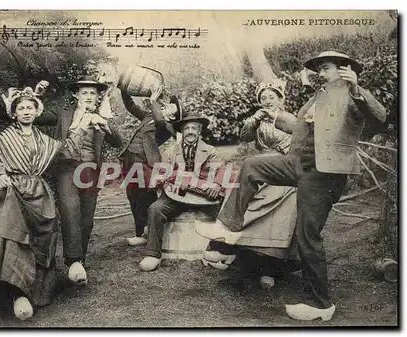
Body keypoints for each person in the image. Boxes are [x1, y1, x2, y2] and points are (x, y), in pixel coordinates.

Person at [196, 51, 387, 321]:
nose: (321, 73)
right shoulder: (317, 96)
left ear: (344, 70)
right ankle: (227, 225)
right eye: (319, 69)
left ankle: (321, 304)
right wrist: (275, 116)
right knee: (252, 166)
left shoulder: (352, 95)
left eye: (327, 68)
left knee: (307, 237)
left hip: (325, 175)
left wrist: (357, 87)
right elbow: (302, 127)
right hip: (299, 164)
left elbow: (380, 116)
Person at [202, 80, 299, 290]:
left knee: (281, 210)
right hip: (259, 168)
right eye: (263, 98)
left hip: (282, 170)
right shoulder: (257, 121)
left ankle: (269, 267)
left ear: (280, 99)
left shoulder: (289, 119)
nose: (267, 101)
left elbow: (298, 144)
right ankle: (234, 255)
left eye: (271, 97)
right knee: (240, 198)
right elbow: (244, 138)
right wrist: (253, 121)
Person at [0, 83, 62, 320]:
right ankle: (16, 293)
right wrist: (1, 175)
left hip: (39, 193)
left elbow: (65, 152)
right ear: (14, 113)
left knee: (44, 238)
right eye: (21, 108)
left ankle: (39, 293)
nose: (26, 111)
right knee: (16, 240)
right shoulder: (5, 138)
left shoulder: (45, 140)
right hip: (13, 194)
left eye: (30, 107)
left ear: (37, 111)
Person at [37, 75, 124, 286]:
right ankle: (74, 261)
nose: (88, 97)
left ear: (97, 97)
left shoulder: (100, 117)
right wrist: (38, 95)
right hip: (67, 169)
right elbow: (37, 117)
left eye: (92, 93)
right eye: (84, 92)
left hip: (90, 171)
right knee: (70, 210)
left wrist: (104, 125)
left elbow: (118, 141)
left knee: (86, 219)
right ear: (76, 95)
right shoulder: (63, 113)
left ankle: (80, 260)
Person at [139, 110, 224, 272]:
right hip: (175, 197)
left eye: (194, 128)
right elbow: (162, 173)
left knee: (223, 212)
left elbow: (220, 170)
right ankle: (153, 254)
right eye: (187, 128)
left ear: (199, 131)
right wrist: (159, 179)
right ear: (182, 131)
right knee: (156, 209)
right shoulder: (170, 152)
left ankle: (218, 251)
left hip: (202, 197)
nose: (190, 131)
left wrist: (217, 185)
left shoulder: (210, 150)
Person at [119, 85, 179, 246]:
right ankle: (141, 233)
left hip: (146, 162)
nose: (164, 106)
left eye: (170, 107)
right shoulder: (147, 116)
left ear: (173, 117)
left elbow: (159, 120)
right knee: (133, 195)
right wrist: (123, 88)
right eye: (164, 105)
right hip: (130, 158)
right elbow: (130, 106)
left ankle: (152, 231)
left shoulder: (168, 127)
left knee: (147, 195)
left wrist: (153, 101)